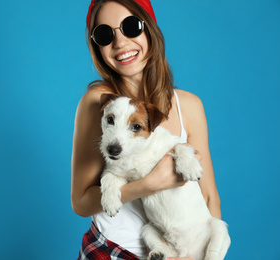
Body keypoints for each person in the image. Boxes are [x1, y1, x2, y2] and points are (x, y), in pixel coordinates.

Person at [71, 0, 222, 259]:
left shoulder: (189, 105)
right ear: (97, 46)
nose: (120, 43)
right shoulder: (99, 102)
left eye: (131, 26)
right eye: (105, 34)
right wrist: (149, 184)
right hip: (111, 250)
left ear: (149, 29)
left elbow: (209, 198)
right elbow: (81, 202)